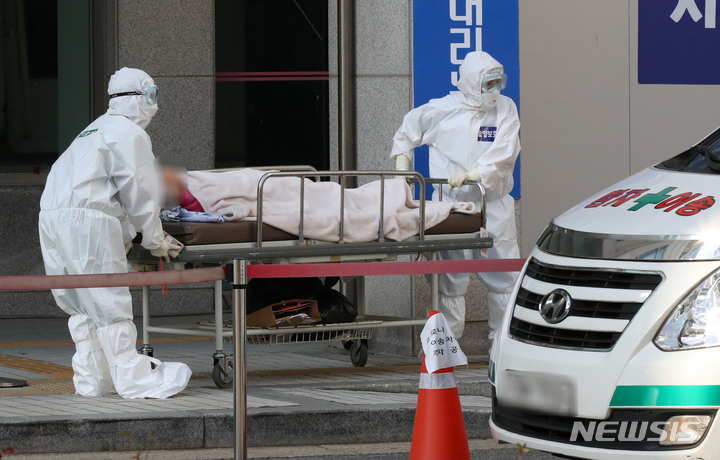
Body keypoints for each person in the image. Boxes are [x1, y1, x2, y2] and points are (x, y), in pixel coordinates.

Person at [38, 67, 191, 398]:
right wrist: (154, 239)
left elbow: (105, 193)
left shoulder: (92, 130)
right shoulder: (129, 133)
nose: (154, 104)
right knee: (108, 301)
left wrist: (124, 236)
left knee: (81, 302)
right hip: (86, 223)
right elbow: (141, 193)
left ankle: (93, 381)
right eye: (151, 95)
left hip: (51, 218)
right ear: (137, 98)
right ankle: (134, 380)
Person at [390, 51, 521, 339]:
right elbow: (407, 132)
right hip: (449, 207)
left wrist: (475, 174)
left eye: (498, 83)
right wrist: (402, 170)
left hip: (493, 205)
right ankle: (445, 350)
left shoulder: (505, 108)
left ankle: (501, 347)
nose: (495, 91)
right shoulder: (442, 110)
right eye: (489, 84)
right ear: (472, 83)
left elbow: (506, 150)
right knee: (449, 281)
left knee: (505, 279)